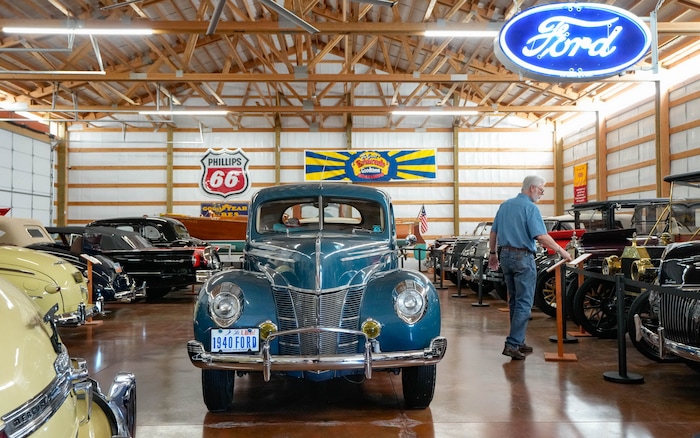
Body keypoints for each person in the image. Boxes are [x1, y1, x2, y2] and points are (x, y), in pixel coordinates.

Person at [488, 175, 573, 360]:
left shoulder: (505, 206)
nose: (542, 193)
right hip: (522, 258)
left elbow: (493, 231)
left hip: (505, 256)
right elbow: (541, 236)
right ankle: (512, 344)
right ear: (532, 188)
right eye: (542, 189)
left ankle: (518, 340)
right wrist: (562, 251)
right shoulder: (530, 208)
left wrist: (493, 254)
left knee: (514, 301)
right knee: (525, 303)